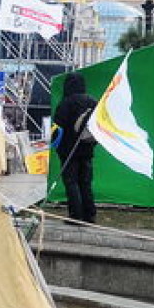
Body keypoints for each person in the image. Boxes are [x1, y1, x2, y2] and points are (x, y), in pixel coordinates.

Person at [55, 71, 98, 224]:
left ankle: (76, 215)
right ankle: (90, 214)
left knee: (71, 182)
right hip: (87, 149)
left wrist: (58, 147)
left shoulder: (66, 103)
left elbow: (57, 125)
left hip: (69, 150)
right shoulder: (93, 102)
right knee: (85, 182)